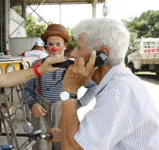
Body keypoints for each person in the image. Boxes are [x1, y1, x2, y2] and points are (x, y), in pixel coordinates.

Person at [59, 18, 159, 150]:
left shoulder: (118, 91)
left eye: (79, 48)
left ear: (102, 56)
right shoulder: (119, 83)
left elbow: (71, 148)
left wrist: (70, 89)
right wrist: (67, 132)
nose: (73, 53)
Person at [23, 24, 96, 150]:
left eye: (58, 44)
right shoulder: (37, 65)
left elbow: (93, 87)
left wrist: (77, 104)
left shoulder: (74, 67)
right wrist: (33, 104)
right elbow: (27, 89)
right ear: (46, 46)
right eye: (50, 44)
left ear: (65, 45)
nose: (54, 48)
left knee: (64, 145)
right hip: (41, 113)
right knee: (41, 145)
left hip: (64, 112)